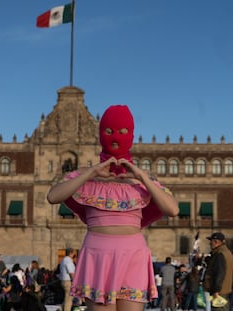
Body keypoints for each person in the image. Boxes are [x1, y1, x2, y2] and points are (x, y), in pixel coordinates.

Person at [47, 105, 179, 311]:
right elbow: (53, 196)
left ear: (131, 134)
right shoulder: (86, 177)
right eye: (108, 131)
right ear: (101, 134)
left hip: (134, 253)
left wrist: (142, 176)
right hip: (98, 254)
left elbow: (172, 209)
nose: (115, 137)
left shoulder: (141, 180)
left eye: (122, 131)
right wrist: (92, 171)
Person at [203, 232, 233, 311]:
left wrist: (216, 290)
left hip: (219, 292)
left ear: (216, 242)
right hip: (224, 290)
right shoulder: (226, 252)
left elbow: (220, 272)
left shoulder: (220, 254)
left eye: (211, 241)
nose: (210, 243)